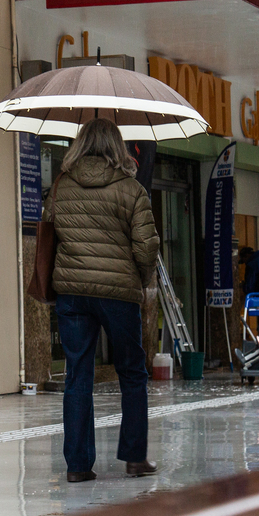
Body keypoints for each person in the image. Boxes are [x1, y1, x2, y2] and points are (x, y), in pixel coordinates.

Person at [48, 118, 160, 483]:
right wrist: (142, 281)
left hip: (73, 292)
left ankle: (78, 465)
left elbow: (51, 232)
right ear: (118, 147)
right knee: (132, 372)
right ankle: (133, 457)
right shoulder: (132, 190)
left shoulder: (61, 187)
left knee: (78, 374)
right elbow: (146, 246)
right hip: (118, 294)